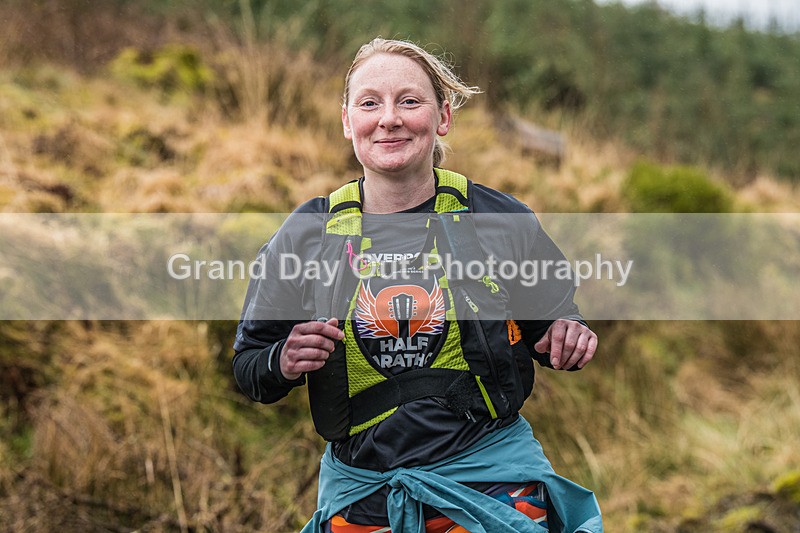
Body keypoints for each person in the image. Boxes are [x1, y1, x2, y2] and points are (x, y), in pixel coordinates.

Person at [233, 38, 603, 533]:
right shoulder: (306, 234)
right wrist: (282, 359)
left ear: (443, 117)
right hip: (364, 499)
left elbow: (555, 325)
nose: (389, 118)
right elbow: (249, 365)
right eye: (370, 103)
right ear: (347, 121)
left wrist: (570, 334)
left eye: (409, 101)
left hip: (491, 488)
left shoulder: (501, 221)